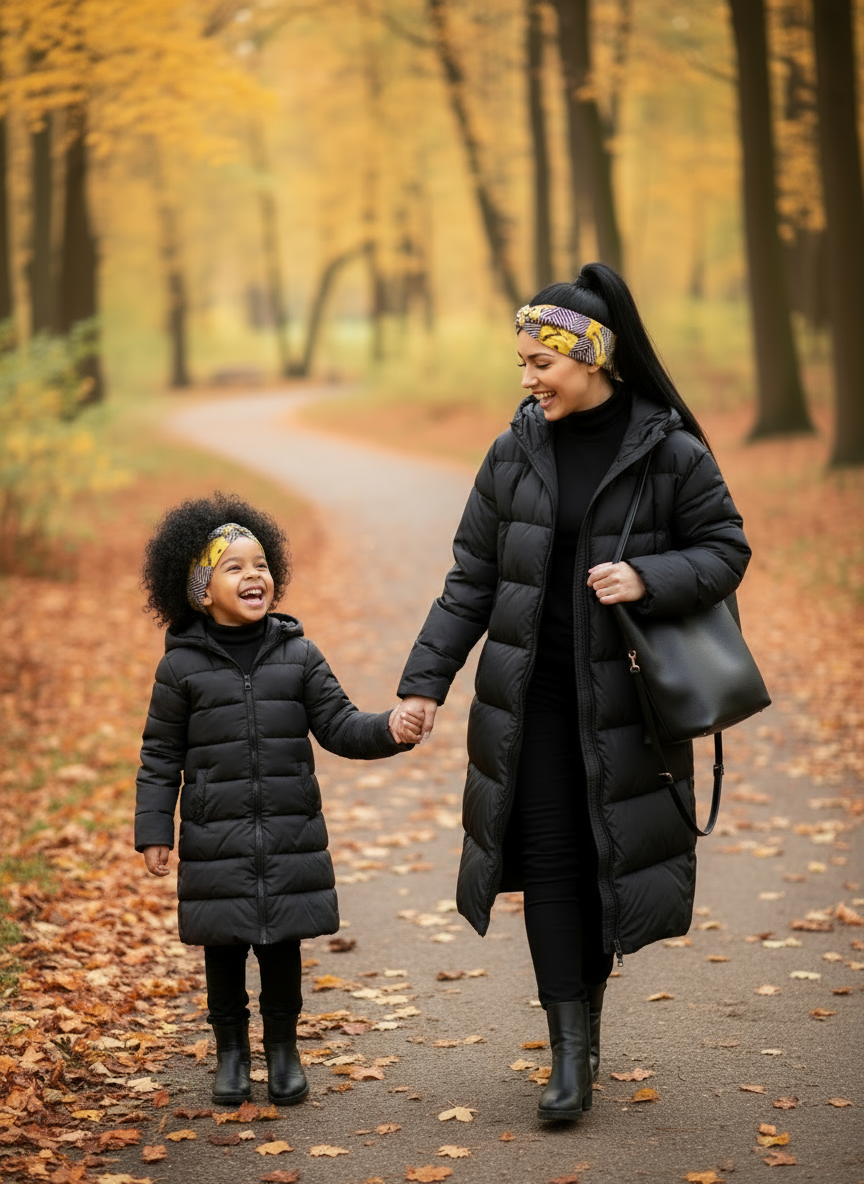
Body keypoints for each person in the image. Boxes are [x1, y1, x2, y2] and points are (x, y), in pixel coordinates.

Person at [397, 263, 751, 1122]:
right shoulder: (514, 451)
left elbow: (726, 548)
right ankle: (568, 1057)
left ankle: (585, 1029)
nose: (526, 379)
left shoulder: (669, 450)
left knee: (603, 863)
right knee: (553, 859)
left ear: (589, 358)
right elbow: (470, 580)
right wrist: (424, 682)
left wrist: (647, 576)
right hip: (535, 697)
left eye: (539, 363)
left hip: (630, 700)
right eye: (521, 362)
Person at [135, 493, 422, 1107]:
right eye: (234, 567)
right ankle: (232, 1053)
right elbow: (159, 754)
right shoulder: (181, 668)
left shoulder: (299, 654)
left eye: (261, 564)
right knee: (224, 946)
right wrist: (154, 829)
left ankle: (284, 1049)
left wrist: (389, 729)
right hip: (217, 833)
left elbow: (341, 725)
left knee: (281, 944)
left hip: (289, 830)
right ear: (201, 589)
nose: (253, 575)